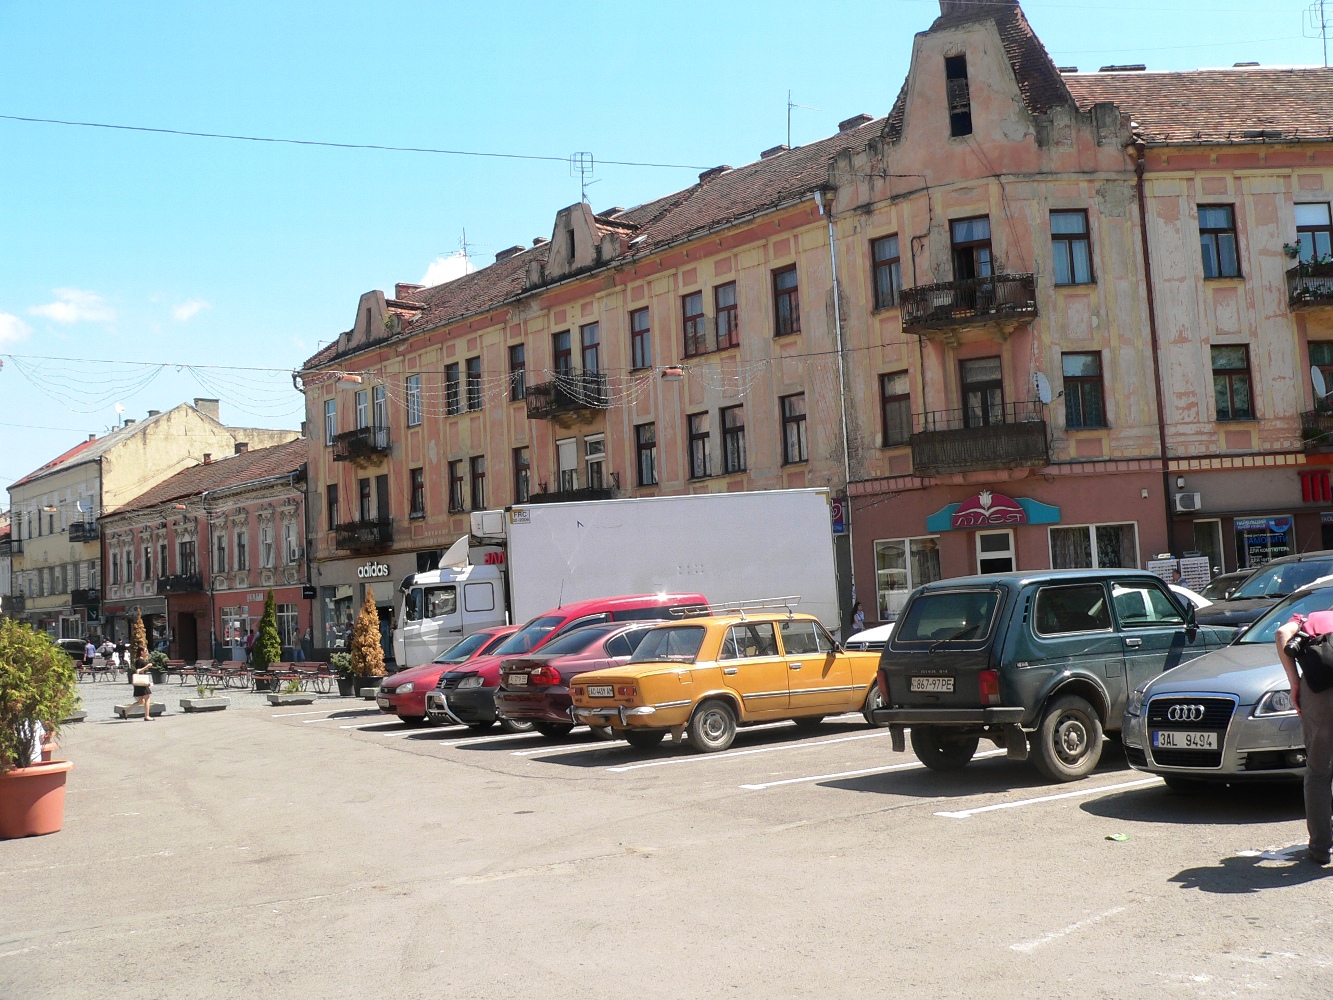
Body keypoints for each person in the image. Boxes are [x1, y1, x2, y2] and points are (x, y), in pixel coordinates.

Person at [1276, 618, 1333, 865]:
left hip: (1318, 692)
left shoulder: (1310, 618)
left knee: (1319, 772)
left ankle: (1321, 848)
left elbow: (1281, 633)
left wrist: (1294, 682)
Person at [131, 645, 154, 721]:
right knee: (147, 697)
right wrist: (147, 666)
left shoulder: (139, 660)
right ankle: (147, 716)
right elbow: (138, 671)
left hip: (141, 682)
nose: (146, 652)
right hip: (141, 682)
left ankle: (126, 711)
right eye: (145, 651)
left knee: (141, 701)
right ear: (141, 652)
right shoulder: (140, 660)